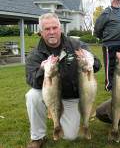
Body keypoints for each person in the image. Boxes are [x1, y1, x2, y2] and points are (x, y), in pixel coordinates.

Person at [25, 13, 102, 148]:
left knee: (70, 135)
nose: (52, 32)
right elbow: (31, 80)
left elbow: (97, 65)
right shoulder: (36, 54)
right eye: (47, 29)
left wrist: (90, 59)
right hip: (50, 95)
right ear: (41, 31)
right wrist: (42, 70)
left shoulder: (76, 45)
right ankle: (37, 137)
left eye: (55, 28)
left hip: (72, 96)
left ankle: (65, 124)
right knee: (32, 95)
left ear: (60, 29)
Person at [94, 0, 120, 91]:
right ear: (111, 0)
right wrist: (106, 38)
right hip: (111, 44)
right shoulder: (106, 12)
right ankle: (109, 86)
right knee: (110, 66)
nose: (116, 1)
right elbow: (98, 28)